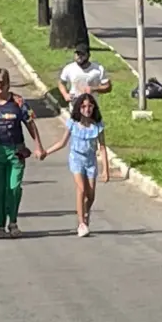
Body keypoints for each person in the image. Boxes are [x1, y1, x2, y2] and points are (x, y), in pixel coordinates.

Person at [0, 68, 45, 238]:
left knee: (13, 188)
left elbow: (30, 123)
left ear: (8, 84)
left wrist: (38, 146)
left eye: (3, 83)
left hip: (15, 151)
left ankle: (13, 222)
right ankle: (0, 226)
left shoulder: (18, 102)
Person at [43, 93, 109, 237]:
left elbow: (102, 147)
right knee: (81, 188)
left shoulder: (97, 126)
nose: (87, 109)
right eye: (84, 106)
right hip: (76, 159)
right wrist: (46, 152)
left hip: (90, 161)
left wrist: (105, 170)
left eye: (90, 106)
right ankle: (81, 223)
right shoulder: (73, 124)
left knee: (90, 195)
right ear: (79, 108)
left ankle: (84, 212)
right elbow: (62, 143)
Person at [58, 43, 111, 111]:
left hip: (91, 109)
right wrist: (65, 95)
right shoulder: (69, 68)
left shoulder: (98, 69)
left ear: (88, 55)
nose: (79, 56)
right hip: (75, 108)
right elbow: (61, 82)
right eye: (77, 54)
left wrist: (93, 89)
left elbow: (108, 87)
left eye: (82, 54)